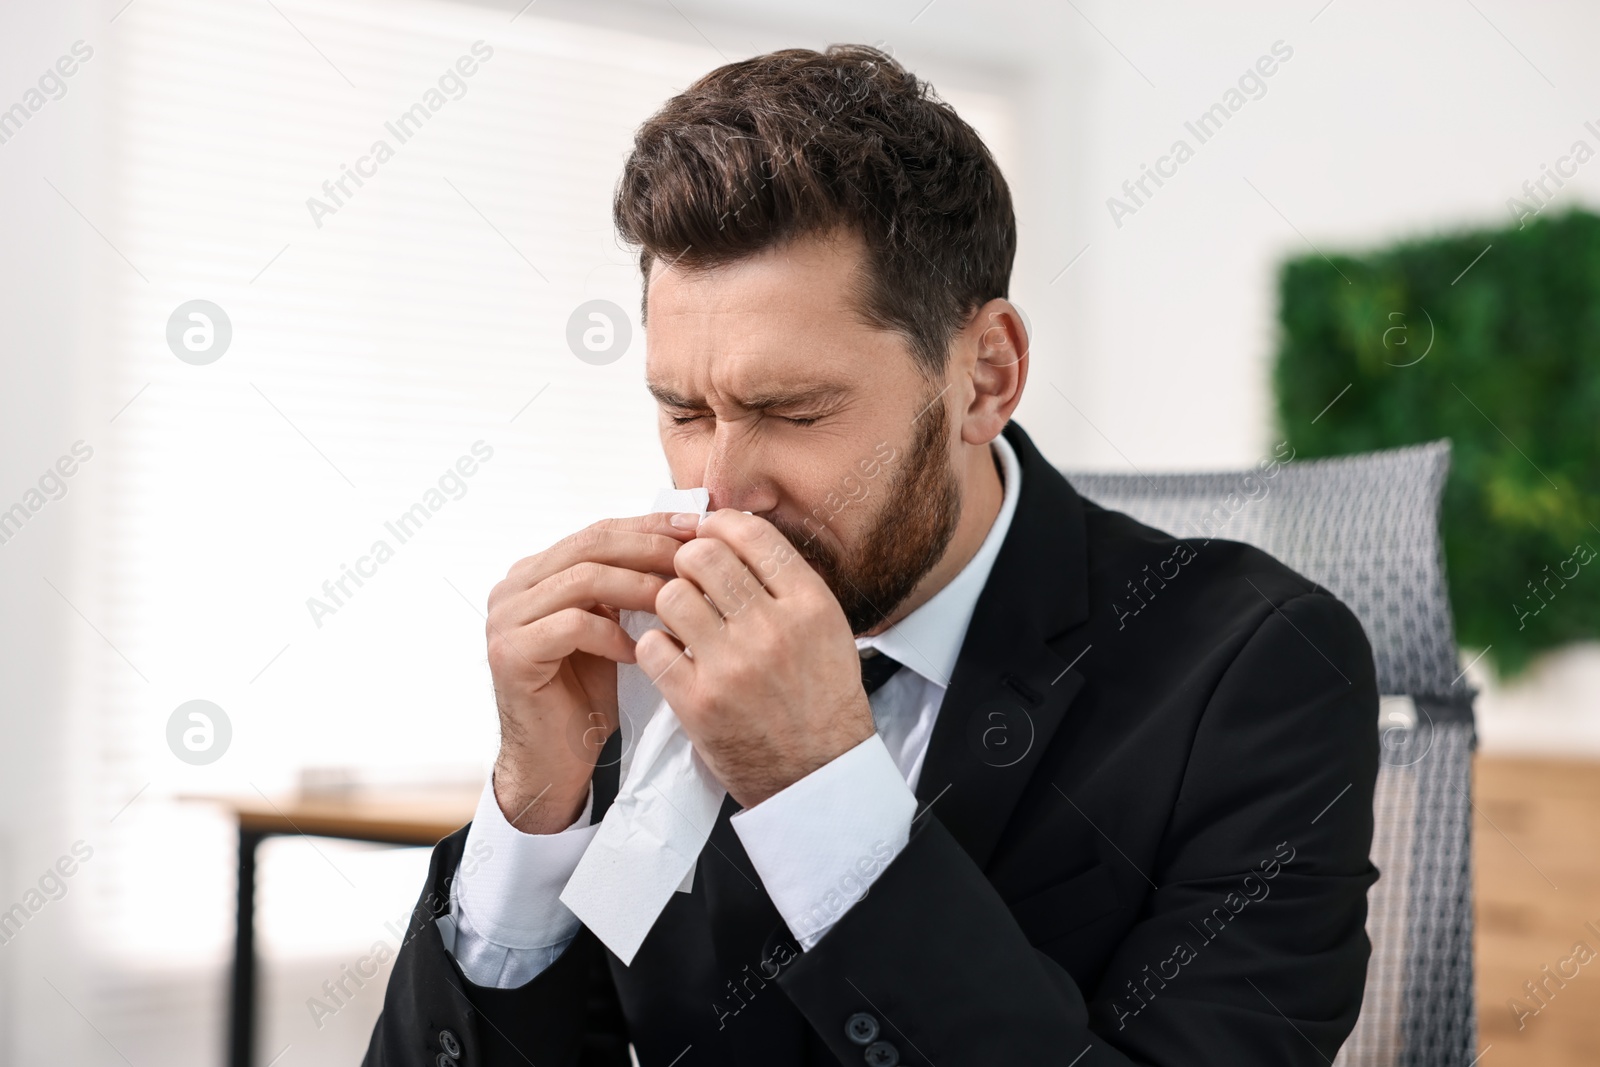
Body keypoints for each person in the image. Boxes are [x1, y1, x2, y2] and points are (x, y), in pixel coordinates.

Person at [363, 44, 1377, 1067]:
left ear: (984, 376)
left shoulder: (1255, 669)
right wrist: (534, 813)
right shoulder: (644, 659)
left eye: (791, 409)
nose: (718, 490)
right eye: (682, 409)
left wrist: (816, 783)